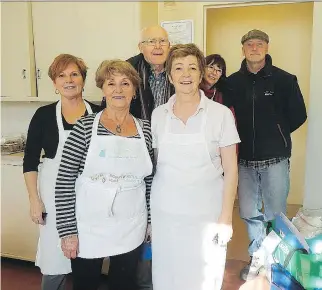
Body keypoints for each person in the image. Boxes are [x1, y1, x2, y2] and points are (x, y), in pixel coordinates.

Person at [55, 59, 154, 290]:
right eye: (111, 84)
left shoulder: (146, 129)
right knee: (86, 284)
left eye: (125, 83)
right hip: (90, 225)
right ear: (103, 88)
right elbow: (64, 181)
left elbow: (149, 181)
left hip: (131, 224)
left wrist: (149, 222)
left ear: (134, 90)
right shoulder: (85, 127)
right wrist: (68, 232)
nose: (118, 90)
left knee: (124, 284)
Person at [150, 43, 240, 290]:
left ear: (201, 74)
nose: (186, 74)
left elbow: (231, 169)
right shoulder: (158, 115)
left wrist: (225, 217)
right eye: (178, 68)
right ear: (169, 76)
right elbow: (158, 165)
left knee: (204, 277)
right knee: (166, 274)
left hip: (206, 213)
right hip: (165, 214)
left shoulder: (220, 114)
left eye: (192, 68)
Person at [225, 29, 307, 280]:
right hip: (245, 161)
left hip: (275, 160)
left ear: (267, 48)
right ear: (243, 49)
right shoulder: (231, 83)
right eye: (249, 44)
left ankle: (275, 262)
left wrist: (276, 133)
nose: (254, 48)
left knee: (275, 214)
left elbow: (298, 115)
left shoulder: (285, 80)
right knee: (249, 213)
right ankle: (257, 258)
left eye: (259, 44)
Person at [23, 54, 100, 290]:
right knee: (54, 257)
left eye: (74, 74)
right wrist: (34, 200)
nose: (69, 80)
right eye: (62, 75)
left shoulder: (99, 114)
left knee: (89, 257)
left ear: (83, 80)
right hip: (55, 199)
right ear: (54, 83)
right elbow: (30, 161)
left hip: (90, 198)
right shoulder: (43, 115)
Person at [101, 25, 175, 120]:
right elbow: (108, 104)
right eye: (151, 41)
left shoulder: (178, 69)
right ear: (141, 47)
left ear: (169, 46)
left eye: (162, 41)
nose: (158, 46)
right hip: (134, 131)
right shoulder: (127, 69)